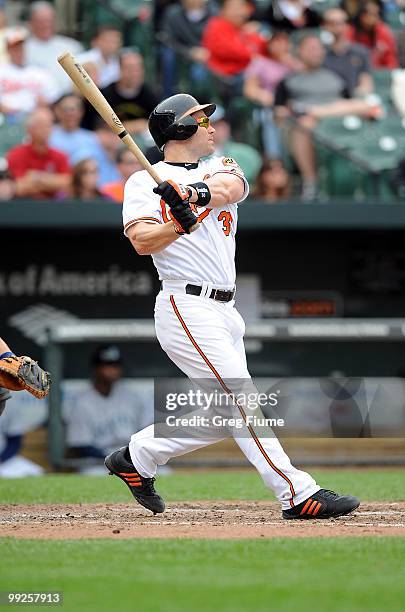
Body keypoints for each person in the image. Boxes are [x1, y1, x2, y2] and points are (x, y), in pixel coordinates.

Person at [105, 92, 360, 520]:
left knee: (226, 413)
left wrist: (192, 196)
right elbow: (142, 240)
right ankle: (297, 493)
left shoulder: (219, 164)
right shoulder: (142, 181)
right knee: (242, 401)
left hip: (227, 310)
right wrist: (175, 222)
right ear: (179, 129)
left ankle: (138, 455)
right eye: (201, 120)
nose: (210, 127)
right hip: (186, 306)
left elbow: (232, 188)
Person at [274, 34, 381, 199]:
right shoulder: (288, 81)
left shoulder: (336, 76)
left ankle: (371, 175)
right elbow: (279, 113)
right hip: (309, 126)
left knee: (363, 107)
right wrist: (285, 114)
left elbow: (351, 102)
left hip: (339, 119)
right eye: (311, 49)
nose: (316, 53)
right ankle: (311, 182)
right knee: (303, 126)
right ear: (299, 51)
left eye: (319, 49)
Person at [65, 345, 152, 472]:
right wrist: (114, 459)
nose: (113, 369)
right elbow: (80, 445)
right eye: (108, 364)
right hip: (99, 461)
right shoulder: (82, 402)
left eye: (116, 365)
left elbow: (147, 433)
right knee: (92, 474)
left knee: (163, 471)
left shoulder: (133, 397)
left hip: (132, 457)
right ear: (95, 368)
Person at [244, 30, 297, 158]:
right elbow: (249, 90)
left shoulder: (294, 63)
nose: (281, 45)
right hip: (271, 107)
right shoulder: (260, 62)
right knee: (270, 117)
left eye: (284, 42)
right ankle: (275, 159)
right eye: (277, 42)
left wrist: (292, 63)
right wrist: (265, 96)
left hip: (294, 106)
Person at [202, 0, 267, 99]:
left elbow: (262, 48)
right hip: (226, 79)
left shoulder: (246, 29)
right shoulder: (217, 25)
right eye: (235, 8)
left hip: (246, 75)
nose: (240, 12)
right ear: (223, 10)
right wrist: (250, 54)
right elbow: (226, 50)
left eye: (243, 7)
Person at [83, 50, 160, 134]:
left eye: (138, 68)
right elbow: (97, 126)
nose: (135, 73)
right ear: (119, 69)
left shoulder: (150, 95)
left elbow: (157, 125)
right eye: (130, 68)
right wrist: (134, 125)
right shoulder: (105, 94)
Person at [7, 107, 71, 199]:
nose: (46, 130)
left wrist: (37, 177)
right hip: (23, 206)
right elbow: (18, 187)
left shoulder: (60, 155)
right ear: (29, 129)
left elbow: (69, 184)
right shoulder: (16, 154)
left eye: (49, 125)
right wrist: (53, 183)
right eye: (41, 126)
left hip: (54, 207)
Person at [25, 1, 83, 97]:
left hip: (73, 100)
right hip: (40, 103)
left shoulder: (72, 45)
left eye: (49, 20)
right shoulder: (23, 49)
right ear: (31, 23)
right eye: (41, 21)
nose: (46, 25)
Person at [0, 26, 58, 119]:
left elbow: (54, 101)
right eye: (14, 47)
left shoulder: (40, 72)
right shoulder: (2, 70)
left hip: (34, 119)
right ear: (7, 49)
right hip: (6, 119)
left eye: (21, 47)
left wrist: (46, 104)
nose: (18, 51)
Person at [159, 0, 215, 97]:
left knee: (199, 73)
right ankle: (167, 98)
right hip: (181, 53)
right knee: (167, 55)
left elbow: (219, 36)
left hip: (206, 52)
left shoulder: (214, 11)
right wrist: (189, 52)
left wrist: (207, 50)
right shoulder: (173, 14)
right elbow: (168, 40)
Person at [322, 8, 374, 97]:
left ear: (347, 25)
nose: (336, 28)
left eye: (340, 23)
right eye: (331, 23)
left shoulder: (360, 52)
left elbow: (366, 83)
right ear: (324, 26)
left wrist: (356, 96)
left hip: (353, 100)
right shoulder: (320, 54)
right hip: (327, 98)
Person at [49, 93, 106, 166]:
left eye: (74, 109)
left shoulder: (92, 139)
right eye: (66, 109)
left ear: (81, 112)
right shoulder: (48, 135)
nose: (70, 114)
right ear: (57, 111)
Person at [346, 1, 399, 68]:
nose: (376, 18)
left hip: (379, 70)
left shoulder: (383, 31)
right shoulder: (351, 31)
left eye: (377, 15)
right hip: (356, 68)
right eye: (372, 14)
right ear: (362, 16)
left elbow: (391, 58)